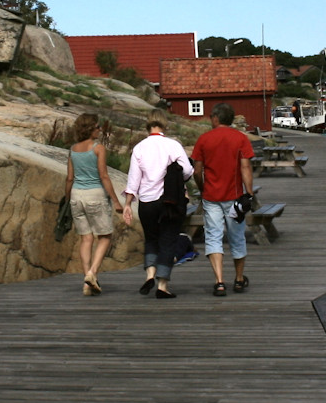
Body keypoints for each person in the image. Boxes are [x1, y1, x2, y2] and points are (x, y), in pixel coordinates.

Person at [123, 110, 195, 299]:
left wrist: (128, 204)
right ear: (164, 124)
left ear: (148, 125)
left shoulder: (139, 148)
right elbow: (188, 171)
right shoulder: (173, 145)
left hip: (146, 202)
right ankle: (162, 286)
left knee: (151, 239)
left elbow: (133, 180)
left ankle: (150, 275)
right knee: (168, 240)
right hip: (169, 201)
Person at [190, 103, 256, 295]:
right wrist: (249, 193)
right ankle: (239, 279)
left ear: (216, 118)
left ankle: (219, 281)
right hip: (234, 197)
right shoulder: (240, 138)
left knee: (213, 237)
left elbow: (197, 171)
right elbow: (245, 167)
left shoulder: (204, 139)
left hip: (211, 196)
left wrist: (202, 188)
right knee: (237, 237)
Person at [64, 113, 125, 296]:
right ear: (90, 129)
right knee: (105, 236)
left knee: (86, 238)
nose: (100, 129)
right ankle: (92, 273)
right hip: (95, 194)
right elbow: (103, 175)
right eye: (98, 127)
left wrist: (67, 198)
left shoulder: (73, 149)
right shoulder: (98, 148)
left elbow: (69, 178)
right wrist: (116, 200)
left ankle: (87, 282)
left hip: (76, 195)